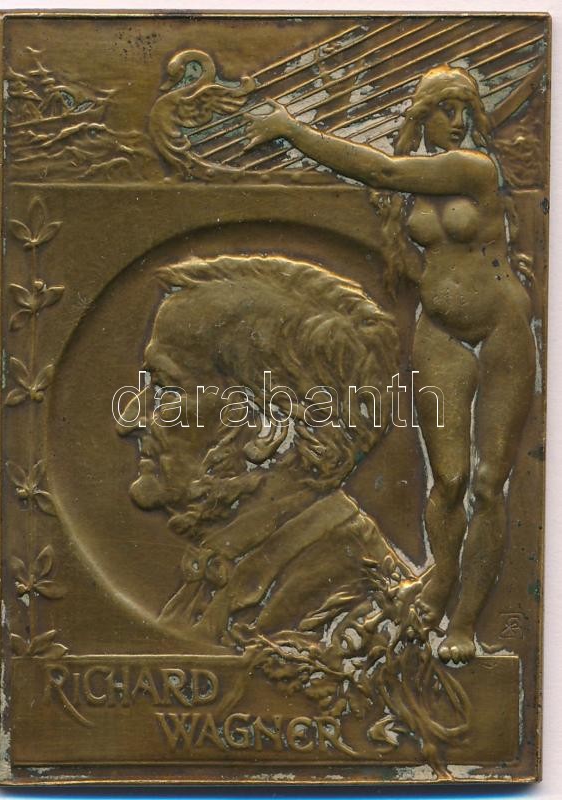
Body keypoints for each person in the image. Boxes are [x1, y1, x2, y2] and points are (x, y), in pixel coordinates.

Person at [244, 65, 536, 664]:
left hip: (501, 332)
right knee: (449, 479)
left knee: (488, 483)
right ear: (422, 113)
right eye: (446, 109)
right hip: (440, 333)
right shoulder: (421, 180)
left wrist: (293, 131)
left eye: (466, 110)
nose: (458, 122)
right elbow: (387, 195)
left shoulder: (475, 168)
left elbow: (382, 170)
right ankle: (440, 578)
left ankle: (464, 621)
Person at [116, 254, 413, 645]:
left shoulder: (357, 611)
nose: (129, 419)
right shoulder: (225, 567)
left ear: (269, 428)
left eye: (167, 390)